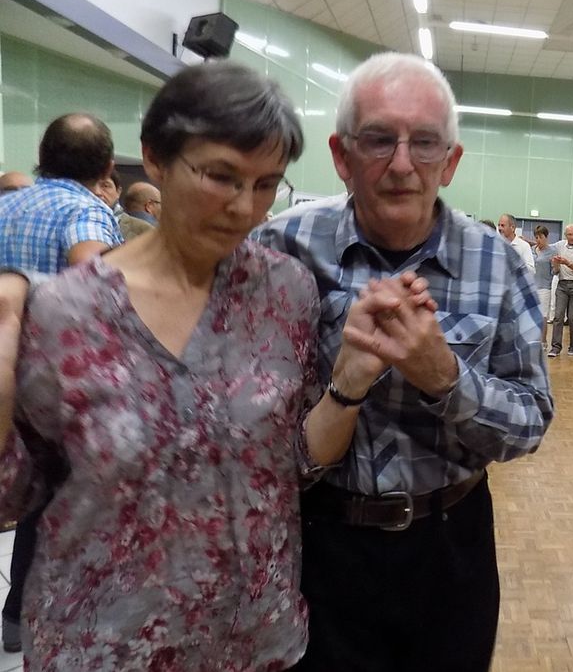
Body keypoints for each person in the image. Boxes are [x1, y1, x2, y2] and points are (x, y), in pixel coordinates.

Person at [0, 62, 362, 669]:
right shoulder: (67, 312)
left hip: (256, 643)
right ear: (156, 159)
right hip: (105, 646)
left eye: (267, 183)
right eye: (220, 176)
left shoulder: (285, 294)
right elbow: (11, 499)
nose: (245, 207)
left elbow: (287, 465)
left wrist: (352, 382)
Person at [253, 51, 553, 672]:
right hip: (317, 546)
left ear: (451, 161)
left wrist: (444, 377)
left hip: (451, 547)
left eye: (424, 143)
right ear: (341, 156)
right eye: (378, 140)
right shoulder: (279, 248)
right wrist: (345, 382)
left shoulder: (497, 265)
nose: (401, 165)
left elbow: (528, 424)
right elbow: (245, 429)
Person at [0, 112, 124, 655]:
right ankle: (35, 624)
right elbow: (94, 275)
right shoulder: (85, 210)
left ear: (42, 156)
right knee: (61, 509)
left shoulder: (3, 206)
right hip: (60, 394)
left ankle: (14, 618)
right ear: (104, 166)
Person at [548, 223, 573, 357]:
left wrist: (568, 263)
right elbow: (547, 248)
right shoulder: (560, 245)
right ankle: (555, 347)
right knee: (558, 316)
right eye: (569, 234)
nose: (571, 237)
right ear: (565, 235)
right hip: (562, 284)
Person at [533, 225, 556, 347]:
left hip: (544, 287)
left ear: (546, 237)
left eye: (541, 237)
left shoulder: (552, 251)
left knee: (542, 315)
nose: (538, 240)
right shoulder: (532, 250)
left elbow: (554, 271)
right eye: (536, 237)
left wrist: (556, 265)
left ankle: (543, 341)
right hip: (531, 287)